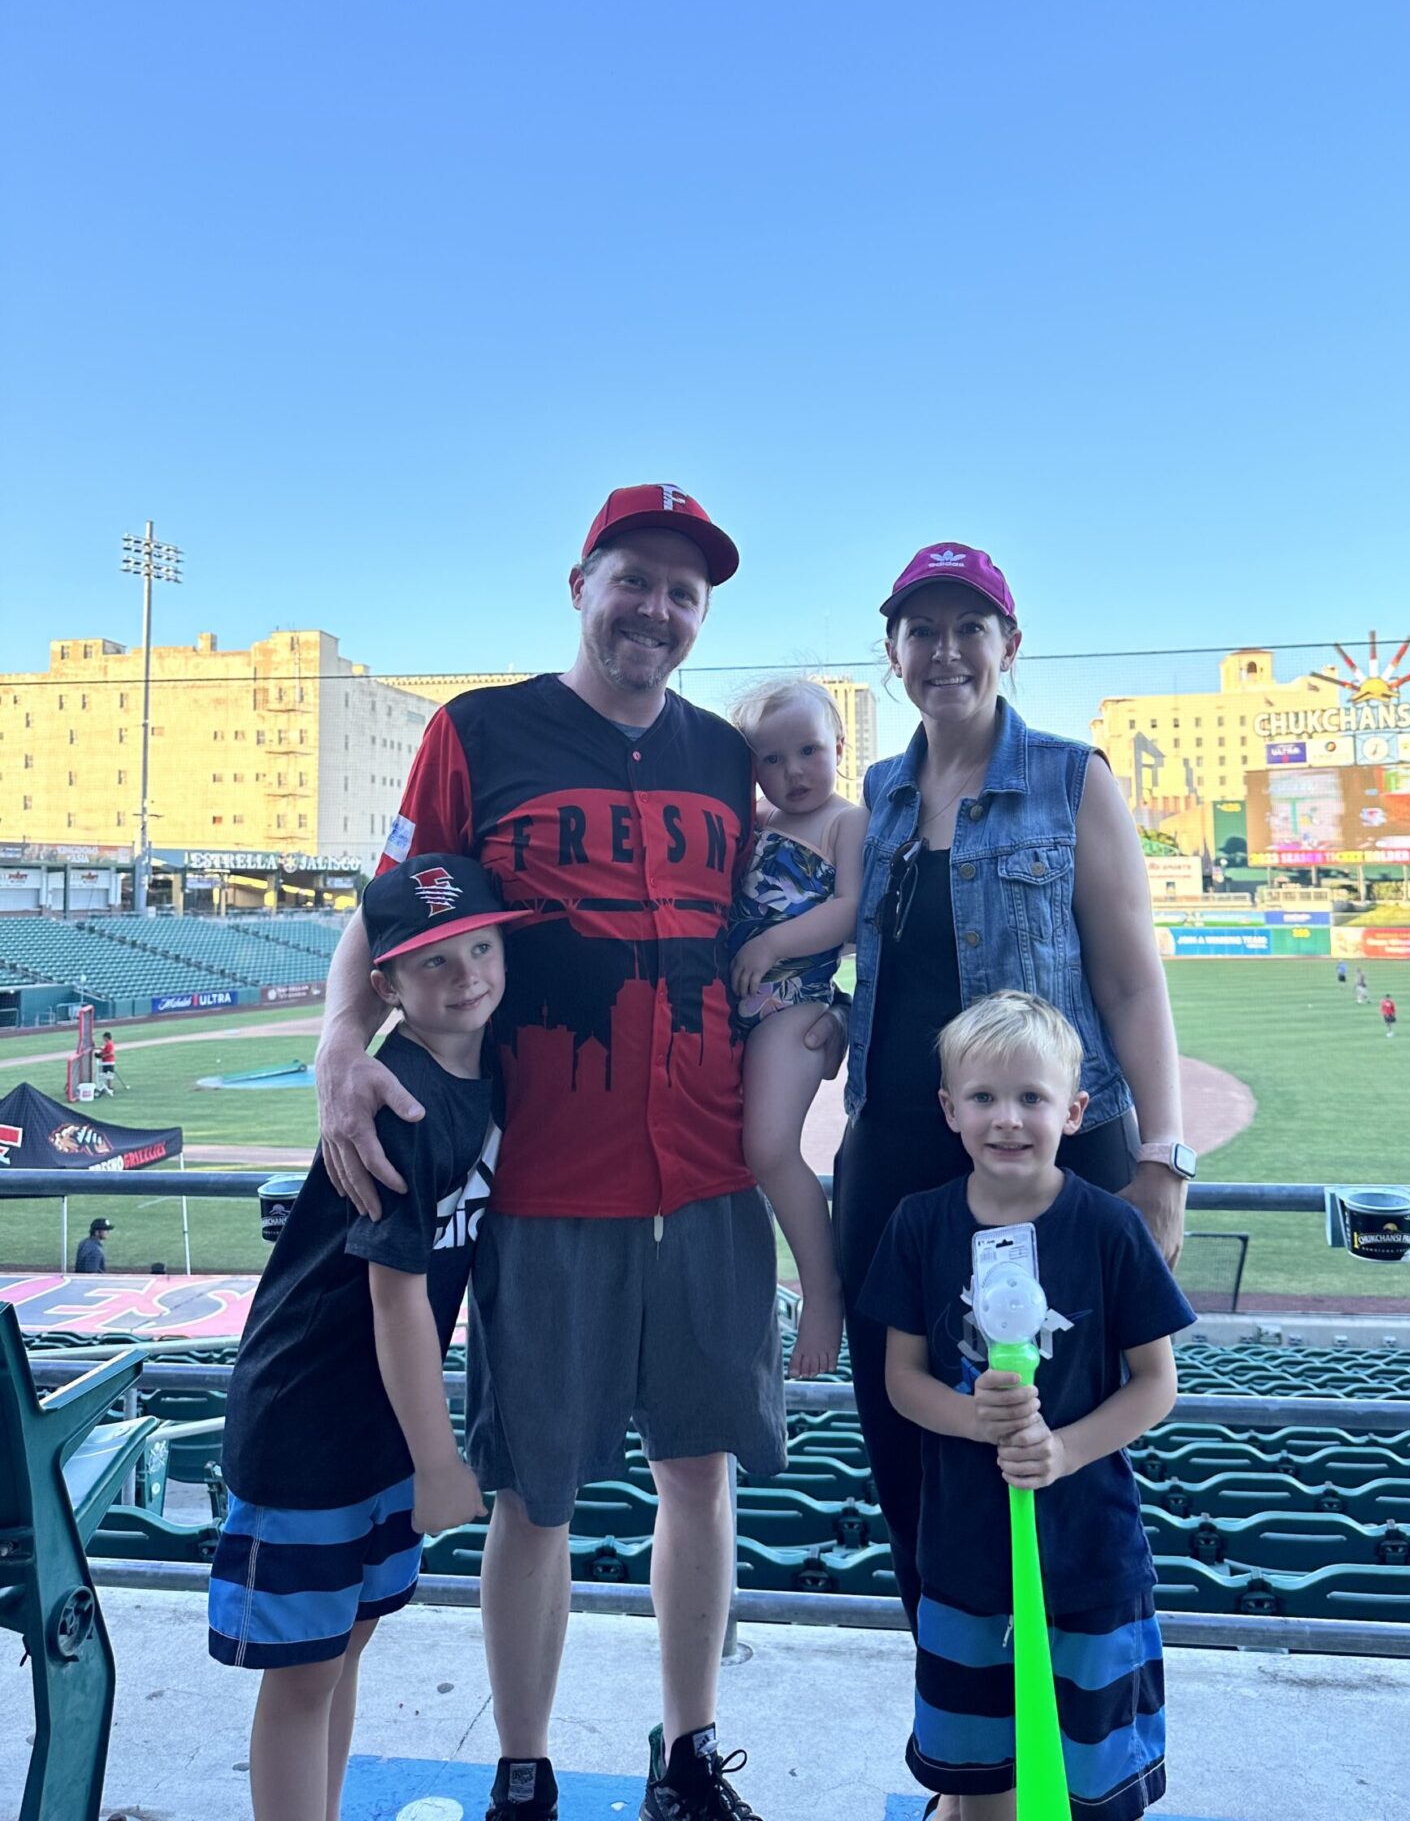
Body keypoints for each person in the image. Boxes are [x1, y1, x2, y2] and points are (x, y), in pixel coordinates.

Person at [315, 486, 843, 1821]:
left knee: (700, 1475)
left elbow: (816, 892)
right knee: (532, 1494)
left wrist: (818, 1011)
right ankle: (525, 1769)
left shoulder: (728, 760)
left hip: (711, 1167)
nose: (657, 609)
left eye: (684, 591)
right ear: (579, 583)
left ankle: (685, 1753)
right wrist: (339, 1038)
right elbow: (389, 905)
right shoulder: (479, 732)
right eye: (635, 579)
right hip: (544, 1178)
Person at [834, 542, 1194, 1692]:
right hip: (896, 1150)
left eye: (968, 626)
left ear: (1010, 642)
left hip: (1054, 1155)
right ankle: (964, 1722)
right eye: (921, 629)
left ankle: (1064, 1707)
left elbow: (1133, 980)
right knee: (912, 1441)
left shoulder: (1071, 776)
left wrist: (1163, 1155)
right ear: (892, 651)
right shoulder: (880, 795)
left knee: (1064, 1441)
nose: (945, 650)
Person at [208, 855, 514, 1821]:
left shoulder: (487, 1066)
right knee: (302, 1676)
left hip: (378, 1414)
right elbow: (393, 1301)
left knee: (346, 1651)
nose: (466, 974)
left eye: (481, 945)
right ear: (384, 984)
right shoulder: (405, 1101)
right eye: (431, 962)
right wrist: (438, 1460)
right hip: (313, 1414)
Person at [861, 993, 1193, 1821]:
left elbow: (1156, 1383)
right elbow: (901, 1379)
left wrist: (1065, 1451)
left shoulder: (1111, 1229)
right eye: (982, 1098)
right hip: (967, 1559)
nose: (1007, 1120)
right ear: (949, 1109)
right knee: (979, 1788)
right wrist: (974, 1418)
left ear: (1075, 1111)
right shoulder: (918, 1226)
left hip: (1091, 1558)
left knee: (1093, 1784)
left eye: (1032, 1098)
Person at [727, 678, 866, 1378]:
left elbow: (850, 909)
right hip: (741, 1011)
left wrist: (772, 947)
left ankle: (821, 1290)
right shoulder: (757, 821)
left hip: (798, 1003)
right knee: (736, 1157)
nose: (794, 772)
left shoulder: (847, 820)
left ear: (839, 746)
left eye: (809, 750)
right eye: (771, 759)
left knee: (769, 1147)